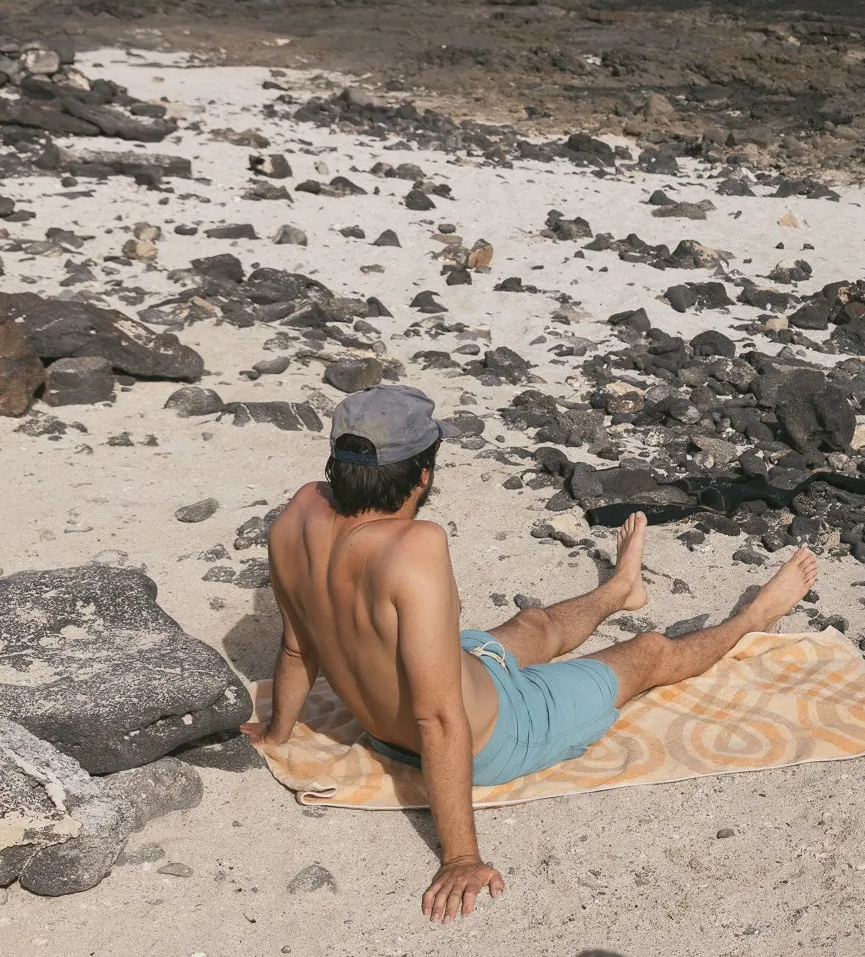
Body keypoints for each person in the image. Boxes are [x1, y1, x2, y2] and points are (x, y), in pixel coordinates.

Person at [244, 385, 819, 922]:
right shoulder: (413, 546)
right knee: (646, 652)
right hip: (495, 733)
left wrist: (276, 733)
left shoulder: (300, 515)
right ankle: (756, 616)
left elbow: (298, 646)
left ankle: (620, 590)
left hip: (438, 684)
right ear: (422, 474)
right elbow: (439, 719)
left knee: (532, 624)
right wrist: (460, 857)